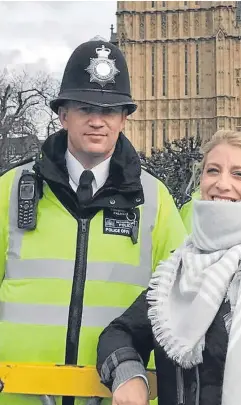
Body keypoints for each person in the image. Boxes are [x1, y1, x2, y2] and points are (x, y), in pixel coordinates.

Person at [0, 38, 187, 405]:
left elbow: (185, 302)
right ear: (63, 114)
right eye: (85, 108)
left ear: (124, 118)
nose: (97, 121)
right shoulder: (9, 190)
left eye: (111, 110)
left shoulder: (155, 199)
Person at [97, 130, 241, 405]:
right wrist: (128, 375)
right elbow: (120, 333)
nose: (222, 184)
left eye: (239, 174)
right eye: (213, 171)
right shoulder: (179, 269)